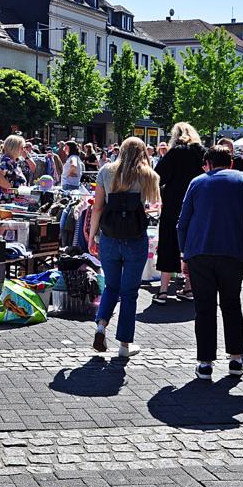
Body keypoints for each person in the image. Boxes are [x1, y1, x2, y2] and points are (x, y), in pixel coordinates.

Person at [178, 145, 243, 380]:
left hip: (198, 252)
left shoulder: (196, 182)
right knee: (231, 305)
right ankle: (235, 360)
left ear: (208, 163)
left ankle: (205, 363)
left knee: (204, 308)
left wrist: (184, 254)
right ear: (232, 163)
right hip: (231, 252)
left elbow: (182, 222)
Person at [87, 137, 161, 358]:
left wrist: (92, 236)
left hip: (109, 237)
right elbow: (154, 206)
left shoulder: (106, 171)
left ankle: (101, 325)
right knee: (130, 293)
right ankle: (124, 346)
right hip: (135, 238)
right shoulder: (148, 174)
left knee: (111, 286)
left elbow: (97, 208)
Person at [154, 122, 205, 303]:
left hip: (174, 204)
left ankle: (162, 291)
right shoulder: (202, 153)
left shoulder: (175, 152)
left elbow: (158, 175)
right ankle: (189, 288)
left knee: (168, 244)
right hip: (197, 206)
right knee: (191, 246)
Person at [0, 135, 31, 203]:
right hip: (6, 201)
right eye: (22, 147)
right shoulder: (7, 160)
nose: (24, 150)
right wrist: (11, 189)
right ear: (15, 148)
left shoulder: (13, 160)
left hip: (11, 201)